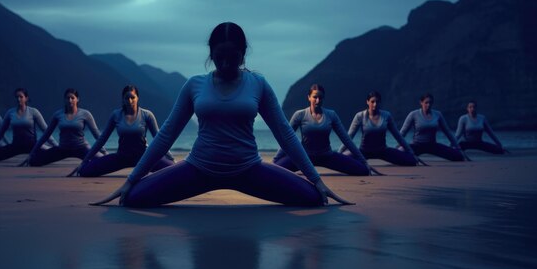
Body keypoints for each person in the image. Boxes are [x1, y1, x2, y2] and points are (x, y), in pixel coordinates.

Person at [92, 22, 352, 207]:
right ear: (210, 54)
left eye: (233, 57)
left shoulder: (258, 84)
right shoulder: (195, 85)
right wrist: (130, 179)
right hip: (199, 169)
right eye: (219, 57)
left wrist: (316, 180)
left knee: (315, 198)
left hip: (249, 169)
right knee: (133, 198)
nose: (226, 64)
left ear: (243, 53)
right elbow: (166, 135)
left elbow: (285, 134)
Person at [71, 85, 174, 177]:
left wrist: (170, 158)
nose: (130, 101)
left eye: (132, 97)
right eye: (127, 98)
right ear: (123, 99)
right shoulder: (116, 115)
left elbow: (159, 138)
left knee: (173, 169)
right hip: (121, 157)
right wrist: (85, 161)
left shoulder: (147, 115)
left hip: (144, 158)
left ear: (137, 98)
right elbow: (102, 139)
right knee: (84, 171)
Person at [272, 84, 374, 176]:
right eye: (315, 97)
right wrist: (276, 160)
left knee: (363, 171)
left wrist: (363, 161)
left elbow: (346, 139)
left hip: (327, 156)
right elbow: (287, 138)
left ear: (323, 98)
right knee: (275, 170)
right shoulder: (300, 115)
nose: (317, 100)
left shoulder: (331, 115)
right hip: (304, 158)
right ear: (309, 97)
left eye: (320, 97)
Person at [22, 88, 106, 166]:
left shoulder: (85, 114)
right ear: (64, 100)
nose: (70, 100)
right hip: (62, 149)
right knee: (33, 162)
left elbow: (96, 134)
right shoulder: (58, 114)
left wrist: (104, 151)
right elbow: (46, 135)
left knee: (103, 161)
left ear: (77, 99)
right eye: (67, 98)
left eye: (72, 98)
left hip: (81, 148)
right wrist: (32, 153)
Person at [339, 91, 418, 166]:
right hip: (364, 151)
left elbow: (398, 136)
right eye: (372, 101)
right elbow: (348, 137)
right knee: (342, 159)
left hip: (383, 151)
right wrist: (339, 153)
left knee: (412, 161)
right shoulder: (360, 116)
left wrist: (410, 152)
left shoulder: (386, 115)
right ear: (367, 102)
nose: (375, 104)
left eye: (377, 101)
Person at [0, 88, 56, 162]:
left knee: (48, 156)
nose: (18, 99)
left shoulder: (33, 112)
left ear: (26, 98)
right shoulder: (10, 113)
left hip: (31, 145)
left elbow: (46, 131)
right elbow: (0, 133)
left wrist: (57, 146)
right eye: (17, 97)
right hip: (16, 145)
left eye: (21, 97)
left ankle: (47, 148)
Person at [400, 93, 466, 161]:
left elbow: (447, 132)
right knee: (400, 153)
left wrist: (458, 148)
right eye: (426, 103)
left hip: (432, 145)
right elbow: (403, 132)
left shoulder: (437, 114)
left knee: (458, 156)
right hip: (417, 145)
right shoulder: (413, 114)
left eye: (430, 103)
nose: (428, 105)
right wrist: (399, 145)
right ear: (421, 102)